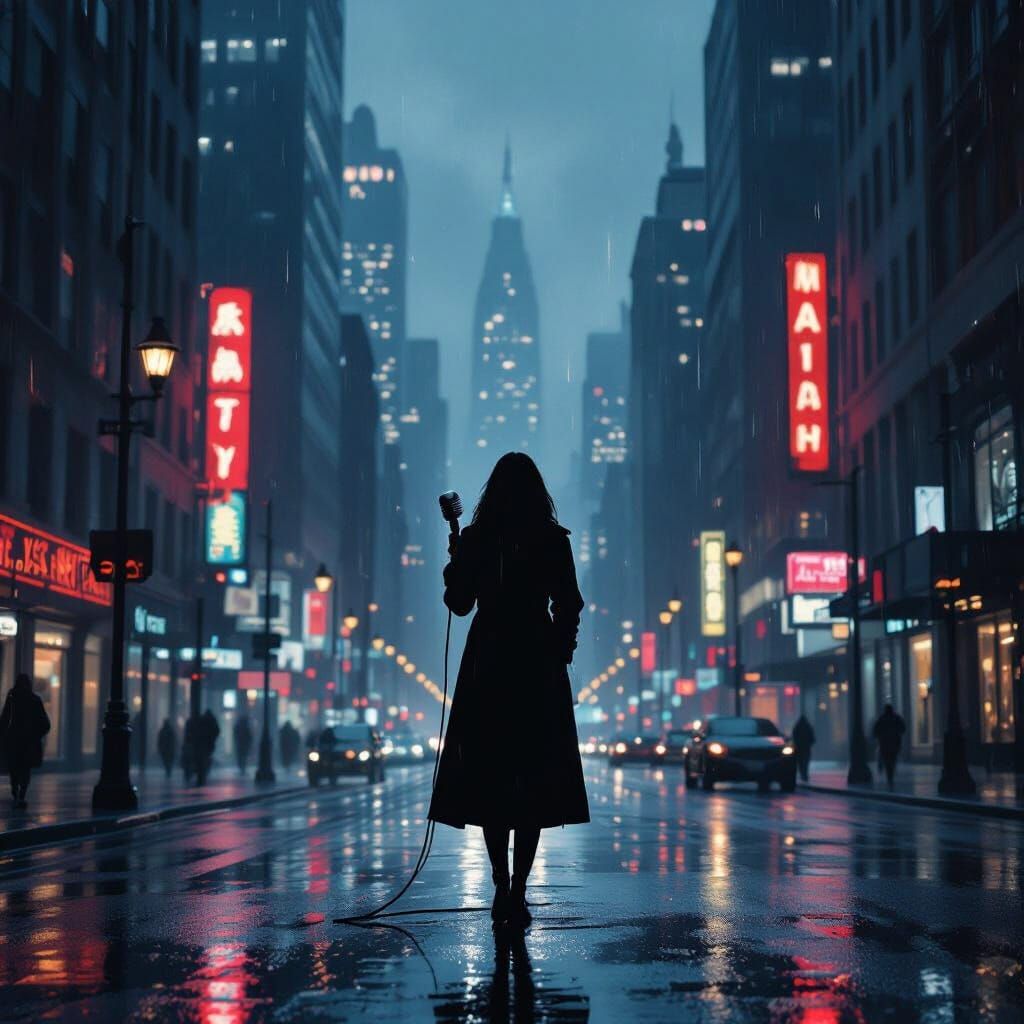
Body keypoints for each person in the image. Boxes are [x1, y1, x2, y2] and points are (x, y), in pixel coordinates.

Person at [428, 453, 590, 929]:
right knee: (533, 781)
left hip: (489, 663)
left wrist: (458, 561)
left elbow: (460, 604)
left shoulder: (479, 538)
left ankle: (501, 883)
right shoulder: (552, 540)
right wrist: (561, 650)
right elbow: (569, 603)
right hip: (536, 663)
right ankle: (518, 889)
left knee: (492, 778)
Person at [0, 673, 51, 808]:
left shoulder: (12, 698)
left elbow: (5, 717)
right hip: (28, 741)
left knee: (14, 768)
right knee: (25, 769)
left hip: (13, 740)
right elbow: (44, 723)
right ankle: (22, 794)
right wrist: (36, 735)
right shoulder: (35, 700)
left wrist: (4, 734)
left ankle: (15, 790)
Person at [872, 704, 906, 791]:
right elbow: (903, 729)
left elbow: (875, 731)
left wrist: (880, 736)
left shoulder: (881, 719)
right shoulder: (896, 718)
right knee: (892, 759)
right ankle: (890, 774)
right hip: (895, 743)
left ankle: (889, 775)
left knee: (887, 760)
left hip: (884, 744)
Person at [197, 709, 221, 784]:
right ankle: (205, 771)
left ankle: (203, 772)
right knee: (207, 757)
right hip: (209, 742)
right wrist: (213, 738)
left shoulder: (202, 720)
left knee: (203, 757)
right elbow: (217, 730)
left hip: (203, 742)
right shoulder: (212, 720)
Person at [792, 713, 815, 782]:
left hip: (799, 748)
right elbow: (812, 738)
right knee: (805, 762)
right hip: (806, 748)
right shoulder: (808, 727)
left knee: (800, 762)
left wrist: (796, 744)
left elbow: (794, 736)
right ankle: (805, 774)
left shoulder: (797, 727)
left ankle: (803, 774)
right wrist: (809, 743)